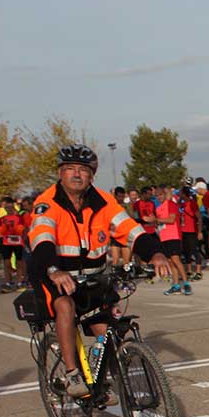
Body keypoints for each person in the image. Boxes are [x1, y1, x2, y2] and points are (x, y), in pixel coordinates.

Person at [26, 145, 174, 398]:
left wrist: (155, 253)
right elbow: (41, 240)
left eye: (83, 170)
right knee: (65, 306)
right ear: (60, 173)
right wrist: (54, 270)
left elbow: (130, 229)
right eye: (70, 169)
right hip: (53, 272)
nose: (76, 174)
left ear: (91, 176)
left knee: (106, 328)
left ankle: (104, 373)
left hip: (92, 276)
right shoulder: (47, 203)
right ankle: (72, 374)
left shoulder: (104, 201)